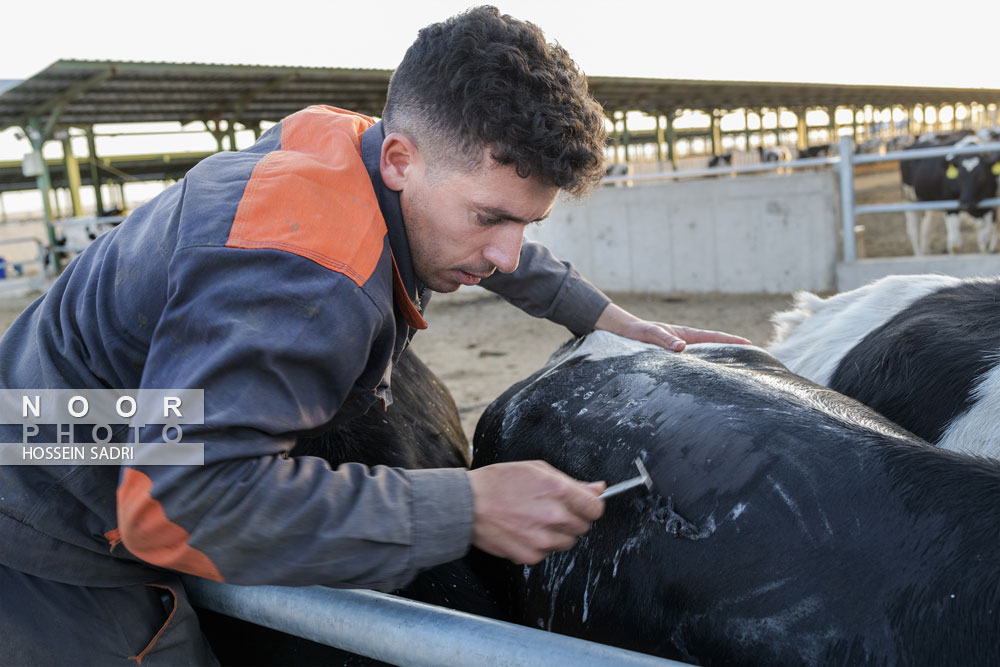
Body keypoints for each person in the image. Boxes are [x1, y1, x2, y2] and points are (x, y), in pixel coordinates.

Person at [0, 6, 749, 664]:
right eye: (492, 218)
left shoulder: (354, 148)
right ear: (400, 161)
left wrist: (603, 316)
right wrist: (469, 505)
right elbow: (174, 505)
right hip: (49, 480)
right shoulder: (308, 283)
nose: (507, 252)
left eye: (528, 221)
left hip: (57, 404)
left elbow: (492, 241)